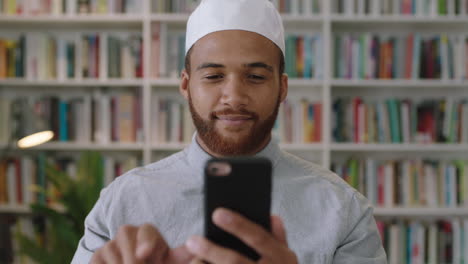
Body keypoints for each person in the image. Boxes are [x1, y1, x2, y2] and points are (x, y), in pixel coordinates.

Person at [72, 0, 387, 263]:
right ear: (186, 85)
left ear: (282, 87)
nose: (234, 97)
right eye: (213, 76)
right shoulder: (123, 201)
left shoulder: (342, 210)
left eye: (255, 76)